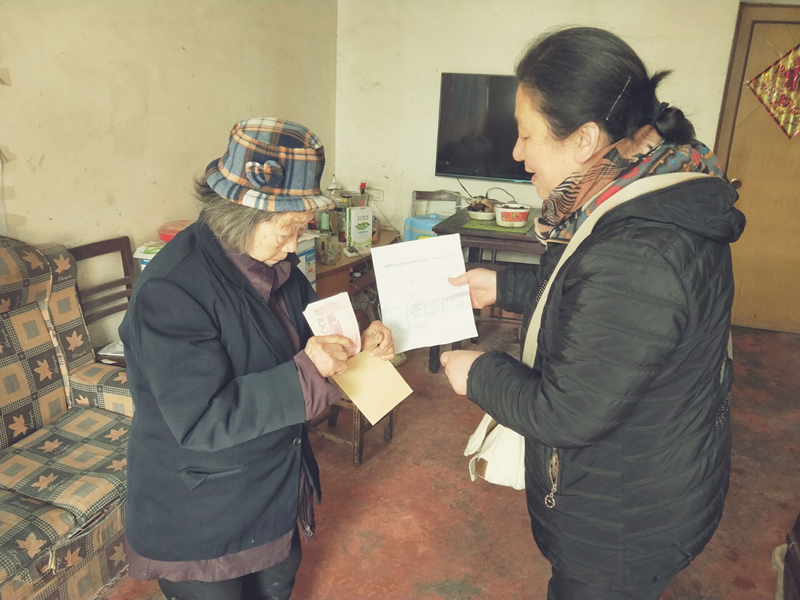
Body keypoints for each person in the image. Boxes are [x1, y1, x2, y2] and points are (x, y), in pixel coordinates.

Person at [441, 27, 745, 600]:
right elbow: (596, 300)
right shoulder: (649, 193)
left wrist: (477, 371)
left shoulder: (635, 250)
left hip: (621, 525)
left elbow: (566, 412)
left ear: (583, 139)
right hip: (652, 476)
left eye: (526, 135)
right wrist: (504, 284)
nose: (517, 153)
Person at [119, 118, 394, 600]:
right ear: (240, 216)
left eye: (300, 229)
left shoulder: (275, 263)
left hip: (273, 487)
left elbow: (314, 332)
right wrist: (309, 371)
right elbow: (202, 418)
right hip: (203, 513)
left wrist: (359, 338)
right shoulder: (172, 290)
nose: (294, 245)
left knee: (277, 586)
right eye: (287, 230)